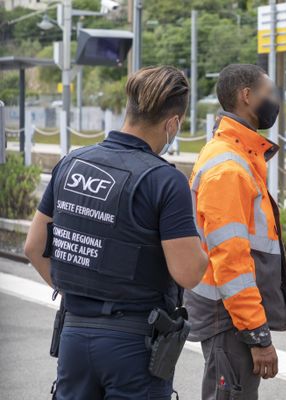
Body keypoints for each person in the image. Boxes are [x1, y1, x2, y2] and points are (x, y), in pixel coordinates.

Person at [23, 65, 208, 399]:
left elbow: (34, 247)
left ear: (130, 109)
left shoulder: (71, 163)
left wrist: (81, 291)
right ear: (172, 124)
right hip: (134, 345)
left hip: (74, 334)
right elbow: (187, 273)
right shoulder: (165, 181)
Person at [184, 63, 286, 400]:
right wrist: (256, 334)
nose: (274, 100)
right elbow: (231, 260)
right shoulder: (230, 167)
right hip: (229, 318)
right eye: (269, 92)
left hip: (228, 315)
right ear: (247, 96)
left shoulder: (232, 154)